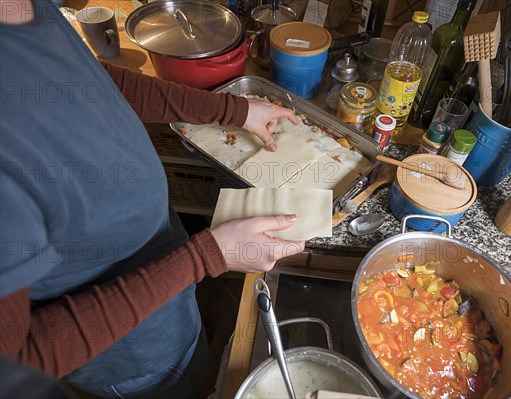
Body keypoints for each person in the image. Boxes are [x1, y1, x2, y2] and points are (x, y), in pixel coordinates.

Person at [0, 0, 305, 398]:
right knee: (180, 384)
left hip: (167, 273)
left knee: (194, 349)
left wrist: (231, 109)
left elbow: (87, 81)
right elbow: (19, 360)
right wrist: (204, 257)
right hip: (134, 353)